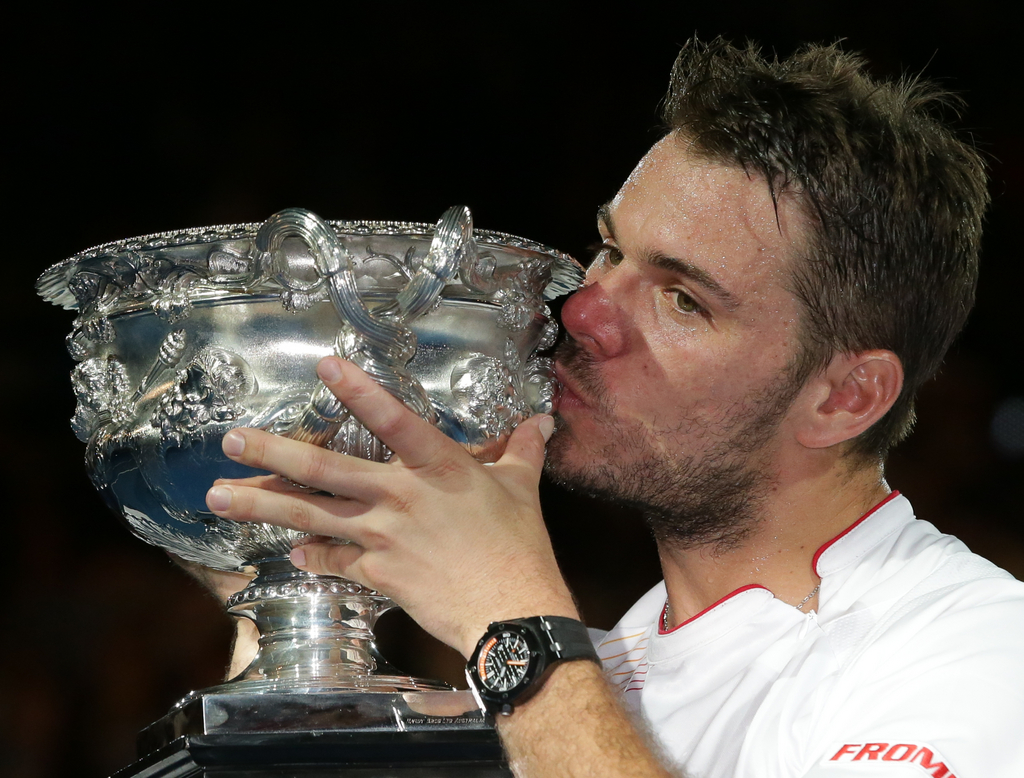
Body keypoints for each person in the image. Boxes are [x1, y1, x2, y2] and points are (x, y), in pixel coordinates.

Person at [202, 38, 1024, 776]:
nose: (583, 310)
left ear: (845, 397)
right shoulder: (594, 674)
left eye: (682, 299)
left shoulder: (974, 650)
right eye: (609, 250)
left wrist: (508, 611)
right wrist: (284, 593)